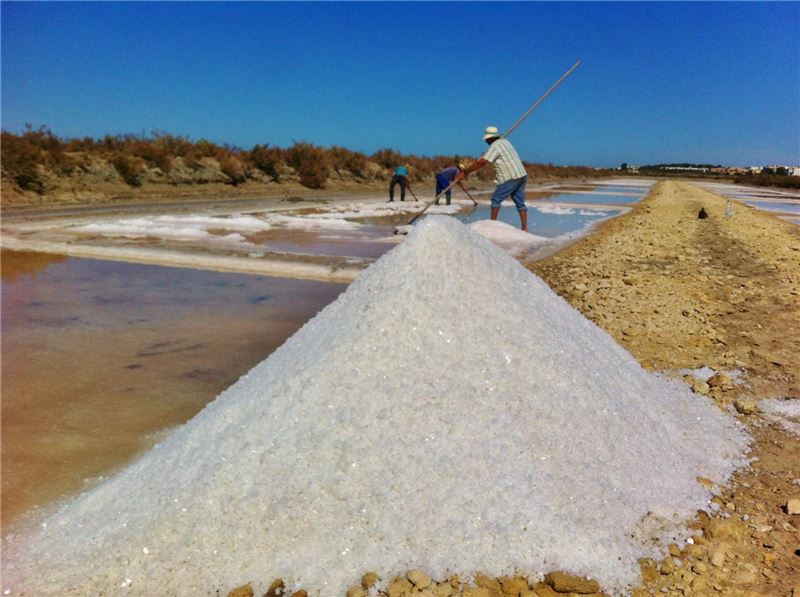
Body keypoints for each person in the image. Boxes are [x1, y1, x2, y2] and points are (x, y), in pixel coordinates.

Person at [459, 126, 528, 231]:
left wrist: (466, 172)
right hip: (521, 174)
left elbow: (481, 162)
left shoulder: (495, 146)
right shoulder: (505, 141)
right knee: (520, 202)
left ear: (490, 138)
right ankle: (525, 227)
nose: (486, 141)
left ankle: (492, 227)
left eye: (487, 139)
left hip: (510, 176)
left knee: (496, 199)